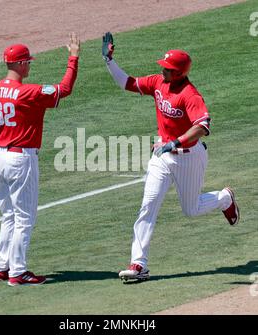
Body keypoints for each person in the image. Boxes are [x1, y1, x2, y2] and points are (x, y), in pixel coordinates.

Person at [102, 32, 240, 281]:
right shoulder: (158, 82)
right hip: (162, 157)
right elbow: (128, 83)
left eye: (167, 68)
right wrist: (109, 61)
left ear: (178, 73)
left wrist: (176, 141)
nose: (162, 70)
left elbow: (203, 126)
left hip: (189, 157)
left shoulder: (190, 94)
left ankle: (224, 199)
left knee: (191, 209)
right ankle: (138, 265)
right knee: (148, 206)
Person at [0, 33, 80, 286]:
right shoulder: (28, 93)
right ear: (21, 64)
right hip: (20, 159)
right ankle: (18, 272)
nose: (29, 66)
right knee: (24, 217)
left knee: (9, 216)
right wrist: (73, 57)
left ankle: (2, 267)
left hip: (0, 158)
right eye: (28, 62)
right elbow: (64, 89)